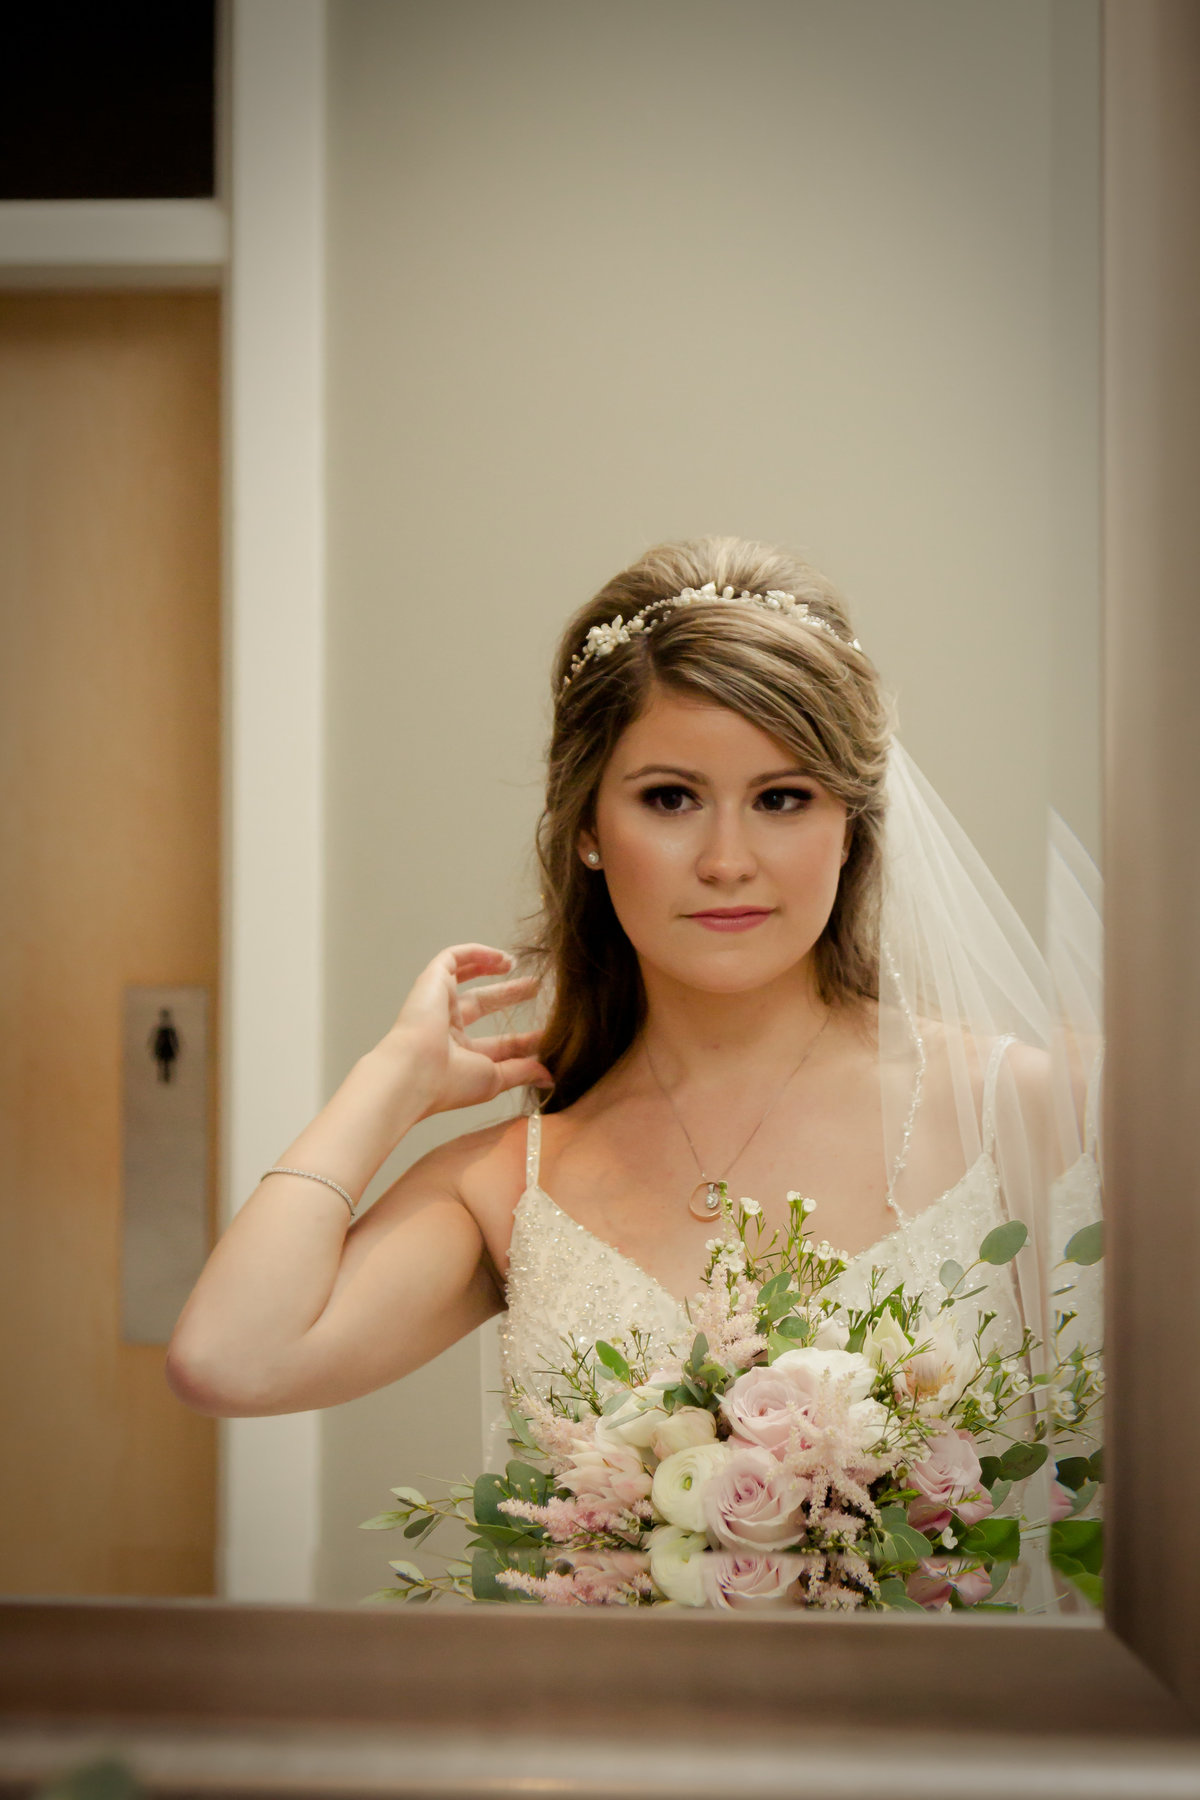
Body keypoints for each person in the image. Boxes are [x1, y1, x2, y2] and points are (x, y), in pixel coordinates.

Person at [167, 537, 1100, 1606]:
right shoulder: (506, 1185)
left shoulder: (1022, 1106)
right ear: (589, 831)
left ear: (852, 826)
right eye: (669, 798)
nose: (726, 860)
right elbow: (230, 1360)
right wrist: (388, 1083)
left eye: (783, 797)